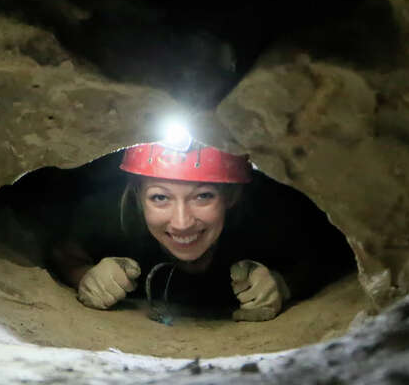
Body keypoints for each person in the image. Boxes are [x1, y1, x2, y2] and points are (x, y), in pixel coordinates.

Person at [49, 136, 351, 322]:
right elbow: (63, 248)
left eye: (203, 196)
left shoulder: (266, 217)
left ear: (231, 196)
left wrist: (284, 284)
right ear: (138, 197)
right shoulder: (116, 215)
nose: (181, 222)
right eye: (160, 197)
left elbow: (329, 254)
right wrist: (84, 276)